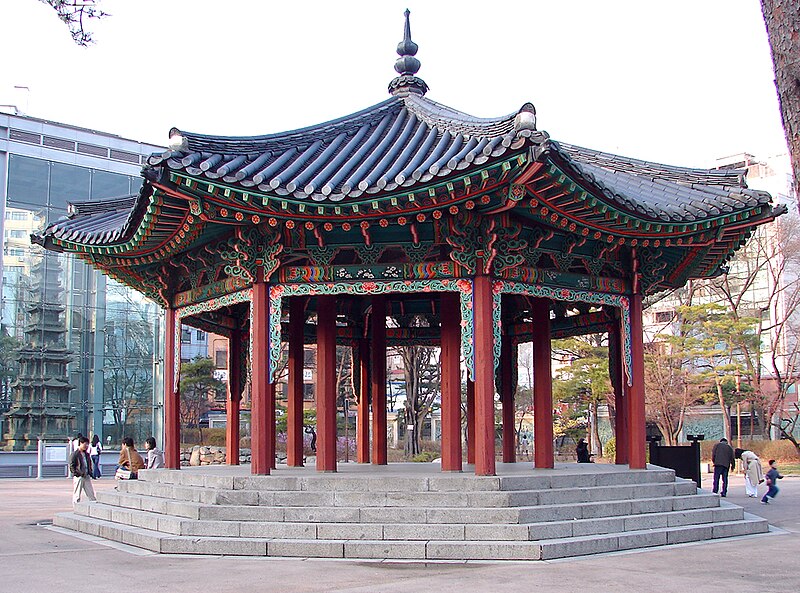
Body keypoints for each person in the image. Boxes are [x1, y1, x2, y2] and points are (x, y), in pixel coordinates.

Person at [69, 436, 96, 504]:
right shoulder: (75, 454)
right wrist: (76, 473)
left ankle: (93, 506)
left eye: (87, 444)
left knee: (91, 494)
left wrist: (90, 472)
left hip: (86, 476)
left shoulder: (86, 454)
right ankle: (75, 507)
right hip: (79, 476)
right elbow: (72, 465)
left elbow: (88, 463)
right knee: (77, 494)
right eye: (85, 444)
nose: (86, 446)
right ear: (80, 443)